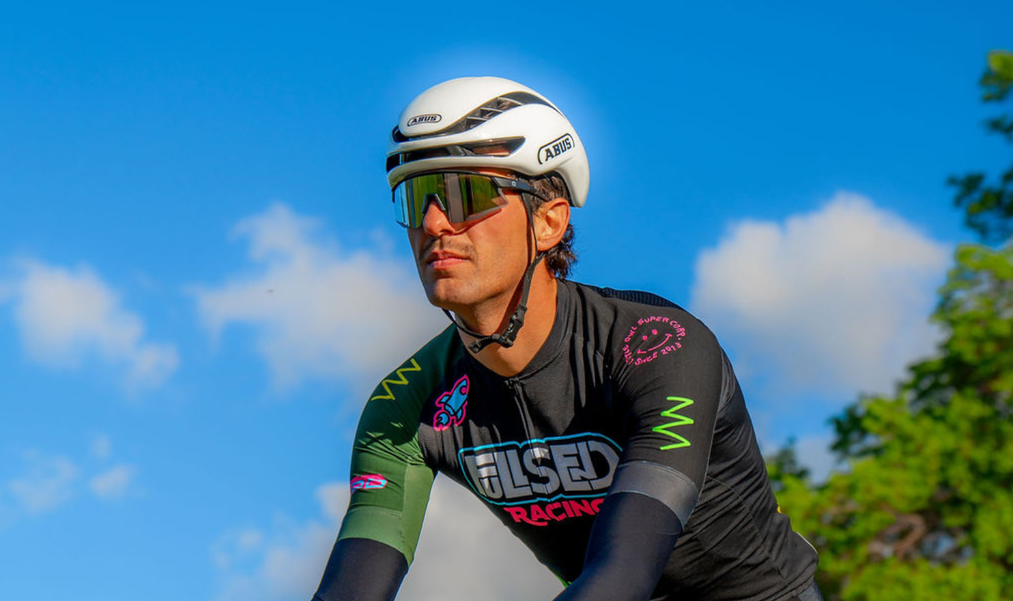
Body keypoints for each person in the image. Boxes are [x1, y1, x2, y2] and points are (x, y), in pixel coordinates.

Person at [312, 76, 822, 601]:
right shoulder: (405, 402)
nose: (435, 222)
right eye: (417, 197)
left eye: (467, 193)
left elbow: (622, 576)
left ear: (550, 220)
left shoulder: (658, 346)